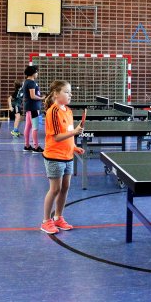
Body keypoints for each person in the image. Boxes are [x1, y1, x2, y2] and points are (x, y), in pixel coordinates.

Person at [40, 80, 84, 234]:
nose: (70, 94)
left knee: (65, 188)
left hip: (67, 156)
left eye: (70, 92)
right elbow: (57, 137)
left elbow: (68, 133)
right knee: (55, 189)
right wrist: (75, 132)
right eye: (66, 92)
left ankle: (58, 217)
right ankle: (46, 221)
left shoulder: (68, 111)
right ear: (56, 94)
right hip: (54, 156)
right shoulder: (53, 112)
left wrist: (74, 147)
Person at [22, 66, 44, 153]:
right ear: (33, 73)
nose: (37, 74)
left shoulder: (27, 82)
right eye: (37, 72)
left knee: (28, 126)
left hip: (30, 107)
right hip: (33, 108)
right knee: (35, 127)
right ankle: (36, 146)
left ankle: (27, 145)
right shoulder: (31, 82)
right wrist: (42, 98)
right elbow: (33, 96)